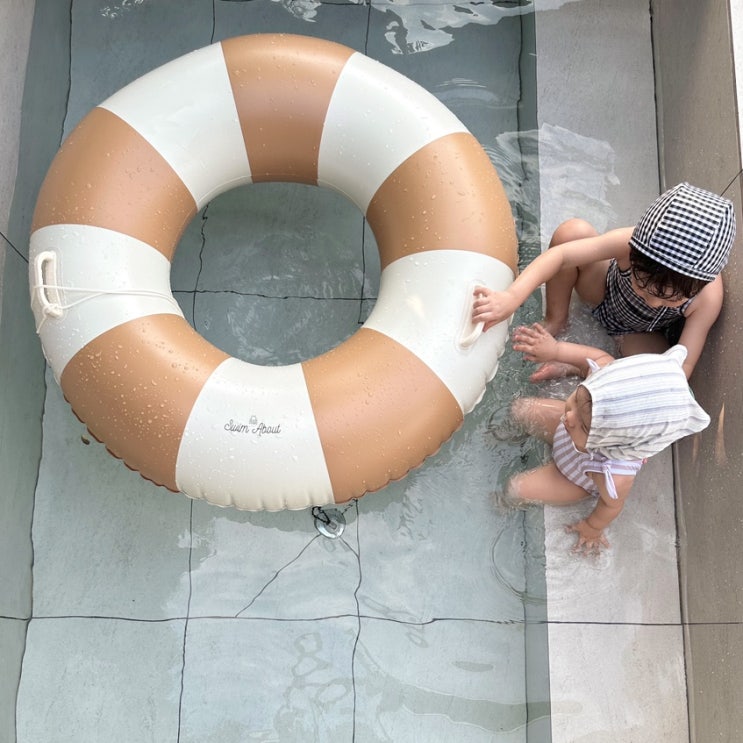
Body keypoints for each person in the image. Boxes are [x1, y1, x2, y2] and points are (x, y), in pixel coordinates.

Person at [472, 183, 736, 380]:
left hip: (638, 334)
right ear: (636, 252)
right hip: (604, 292)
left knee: (657, 373)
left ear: (698, 285)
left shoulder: (706, 297)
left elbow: (683, 367)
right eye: (642, 285)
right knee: (572, 232)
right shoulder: (630, 243)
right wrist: (512, 296)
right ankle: (557, 318)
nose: (653, 302)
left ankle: (577, 366)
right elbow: (561, 255)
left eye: (668, 299)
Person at [498, 322, 710, 555]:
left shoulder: (616, 474)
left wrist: (592, 527)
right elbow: (597, 357)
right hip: (567, 441)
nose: (569, 417)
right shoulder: (602, 388)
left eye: (584, 425)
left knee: (515, 489)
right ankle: (530, 430)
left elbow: (610, 505)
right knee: (520, 409)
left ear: (615, 444)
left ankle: (498, 504)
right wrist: (555, 350)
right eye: (576, 400)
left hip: (573, 476)